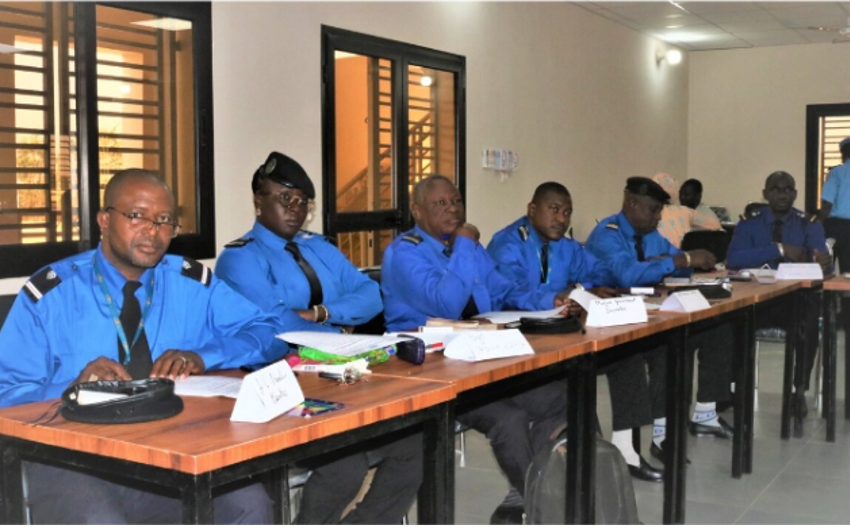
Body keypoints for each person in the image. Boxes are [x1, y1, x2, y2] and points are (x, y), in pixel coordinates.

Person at [0, 169, 280, 524]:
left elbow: (269, 332)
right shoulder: (52, 293)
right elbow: (6, 392)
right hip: (73, 458)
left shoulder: (191, 283)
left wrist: (202, 356)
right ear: (104, 219)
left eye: (165, 220)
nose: (153, 231)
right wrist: (73, 389)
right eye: (137, 216)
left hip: (173, 447)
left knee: (249, 505)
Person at [215, 152, 421, 525]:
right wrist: (340, 334)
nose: (295, 209)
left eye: (302, 203)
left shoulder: (318, 247)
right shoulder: (240, 258)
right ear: (258, 201)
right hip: (282, 384)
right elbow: (278, 326)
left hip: (341, 378)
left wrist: (320, 314)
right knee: (345, 466)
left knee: (416, 444)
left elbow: (369, 294)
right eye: (285, 199)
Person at [382, 175, 567, 525]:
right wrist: (466, 244)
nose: (453, 209)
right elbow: (447, 305)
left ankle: (529, 488)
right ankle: (544, 507)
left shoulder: (468, 249)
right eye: (441, 204)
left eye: (456, 201)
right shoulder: (403, 252)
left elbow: (504, 290)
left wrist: (552, 300)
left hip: (482, 359)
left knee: (559, 396)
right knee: (509, 420)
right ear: (417, 211)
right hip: (433, 374)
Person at [486, 181, 665, 482]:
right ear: (532, 210)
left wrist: (579, 289)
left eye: (567, 212)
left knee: (626, 357)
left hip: (561, 334)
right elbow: (509, 291)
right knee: (573, 386)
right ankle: (570, 474)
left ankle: (626, 452)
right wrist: (555, 298)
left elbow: (600, 272)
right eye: (554, 210)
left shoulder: (565, 246)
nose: (562, 219)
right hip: (521, 341)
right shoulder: (509, 243)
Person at [586, 176, 735, 448]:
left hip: (651, 313)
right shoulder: (607, 234)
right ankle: (652, 437)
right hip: (613, 323)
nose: (657, 218)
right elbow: (628, 274)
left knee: (717, 330)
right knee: (666, 346)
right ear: (631, 204)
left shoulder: (651, 235)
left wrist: (668, 262)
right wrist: (673, 261)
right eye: (653, 210)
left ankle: (704, 413)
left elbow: (684, 265)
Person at [727, 171, 831, 415]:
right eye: (776, 189)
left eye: (788, 190)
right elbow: (733, 259)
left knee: (809, 320)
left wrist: (823, 262)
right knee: (727, 322)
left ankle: (798, 391)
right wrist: (778, 249)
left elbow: (819, 263)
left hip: (794, 302)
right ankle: (733, 388)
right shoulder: (748, 222)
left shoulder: (809, 224)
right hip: (755, 301)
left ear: (795, 193)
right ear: (765, 194)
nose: (782, 195)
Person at [652, 173, 722, 248]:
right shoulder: (686, 211)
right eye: (681, 194)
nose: (682, 198)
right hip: (685, 257)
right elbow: (716, 227)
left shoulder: (649, 214)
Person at [821, 137, 850, 273]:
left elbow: (827, 203)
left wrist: (819, 226)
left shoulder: (836, 173)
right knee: (848, 271)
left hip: (836, 227)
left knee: (827, 265)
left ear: (843, 153)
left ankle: (829, 294)